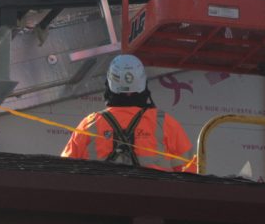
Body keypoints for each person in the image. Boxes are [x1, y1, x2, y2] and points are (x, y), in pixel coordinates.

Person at [62, 54, 194, 172]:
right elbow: (191, 173)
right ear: (143, 85)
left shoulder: (90, 124)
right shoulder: (164, 123)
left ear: (109, 85)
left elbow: (63, 170)